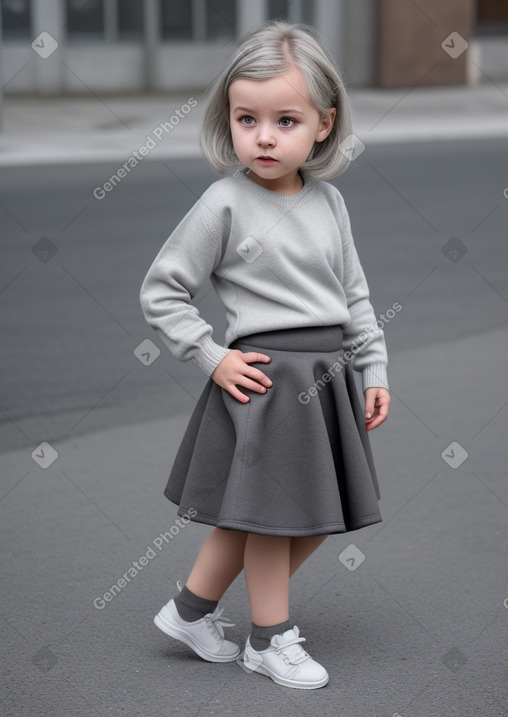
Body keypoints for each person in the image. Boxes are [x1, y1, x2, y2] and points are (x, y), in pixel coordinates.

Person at [139, 19, 390, 690]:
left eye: (286, 119)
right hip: (265, 384)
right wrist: (210, 353)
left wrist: (374, 367)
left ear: (325, 124)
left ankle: (192, 610)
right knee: (274, 520)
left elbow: (355, 295)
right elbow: (162, 290)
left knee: (288, 516)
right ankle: (268, 639)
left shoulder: (329, 202)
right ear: (229, 118)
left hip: (327, 377)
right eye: (247, 118)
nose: (265, 136)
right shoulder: (223, 202)